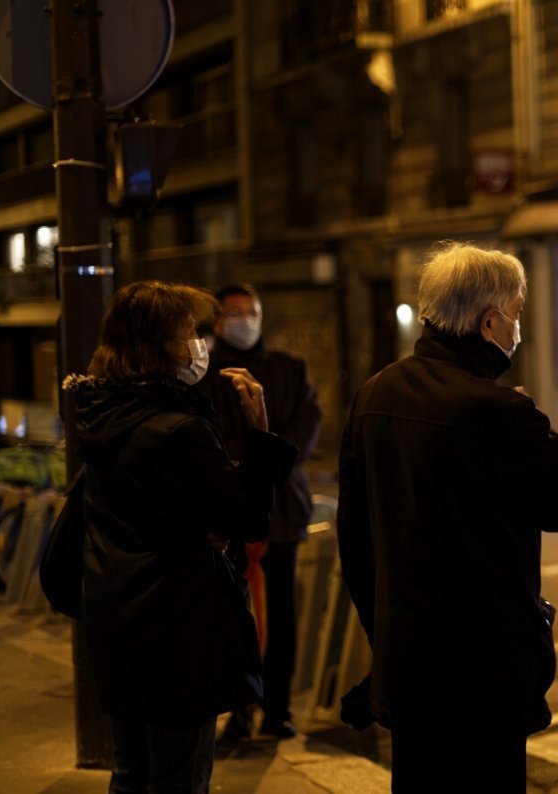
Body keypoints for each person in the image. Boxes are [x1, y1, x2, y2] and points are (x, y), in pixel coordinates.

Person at [336, 243, 558, 791]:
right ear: (488, 320)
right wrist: (535, 425)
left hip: (407, 662)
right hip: (483, 671)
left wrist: (382, 637)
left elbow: (355, 539)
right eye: (517, 314)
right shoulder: (498, 412)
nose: (518, 327)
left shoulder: (374, 394)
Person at [65, 281, 296, 793]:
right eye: (188, 332)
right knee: (180, 778)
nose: (198, 344)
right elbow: (248, 516)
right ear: (159, 346)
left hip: (117, 624)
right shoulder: (176, 429)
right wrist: (259, 430)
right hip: (178, 635)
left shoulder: (101, 415)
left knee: (130, 773)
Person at [197, 283, 322, 741]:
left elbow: (304, 429)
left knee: (282, 619)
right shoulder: (205, 374)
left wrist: (265, 468)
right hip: (227, 515)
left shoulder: (287, 368)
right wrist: (247, 472)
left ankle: (277, 709)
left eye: (251, 311)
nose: (244, 319)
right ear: (217, 320)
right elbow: (209, 440)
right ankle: (239, 708)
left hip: (282, 514)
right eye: (234, 312)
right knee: (232, 619)